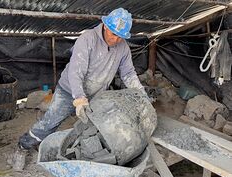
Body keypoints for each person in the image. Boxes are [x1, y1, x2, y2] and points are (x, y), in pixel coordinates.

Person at [19, 8, 150, 149]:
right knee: (51, 120)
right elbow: (76, 71)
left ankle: (87, 151)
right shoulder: (87, 39)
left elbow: (128, 73)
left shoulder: (123, 47)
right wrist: (79, 98)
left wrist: (141, 94)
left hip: (96, 94)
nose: (116, 39)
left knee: (95, 125)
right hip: (69, 90)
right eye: (113, 34)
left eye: (120, 36)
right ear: (105, 26)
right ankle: (25, 144)